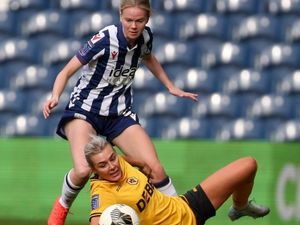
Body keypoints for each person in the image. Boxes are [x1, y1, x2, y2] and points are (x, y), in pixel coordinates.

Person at [43, 1, 198, 225]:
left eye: (139, 21)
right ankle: (62, 207)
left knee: (154, 168)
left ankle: (181, 216)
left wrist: (170, 86)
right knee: (84, 170)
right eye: (128, 20)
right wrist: (55, 96)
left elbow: (148, 57)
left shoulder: (145, 37)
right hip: (85, 110)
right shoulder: (105, 38)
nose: (134, 26)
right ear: (120, 16)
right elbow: (66, 71)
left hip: (118, 113)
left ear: (146, 20)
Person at [85, 134, 270, 225]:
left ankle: (240, 207)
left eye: (112, 158)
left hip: (186, 207)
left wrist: (144, 166)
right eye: (103, 165)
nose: (112, 166)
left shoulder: (119, 162)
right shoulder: (103, 194)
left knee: (248, 165)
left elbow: (129, 161)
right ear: (94, 170)